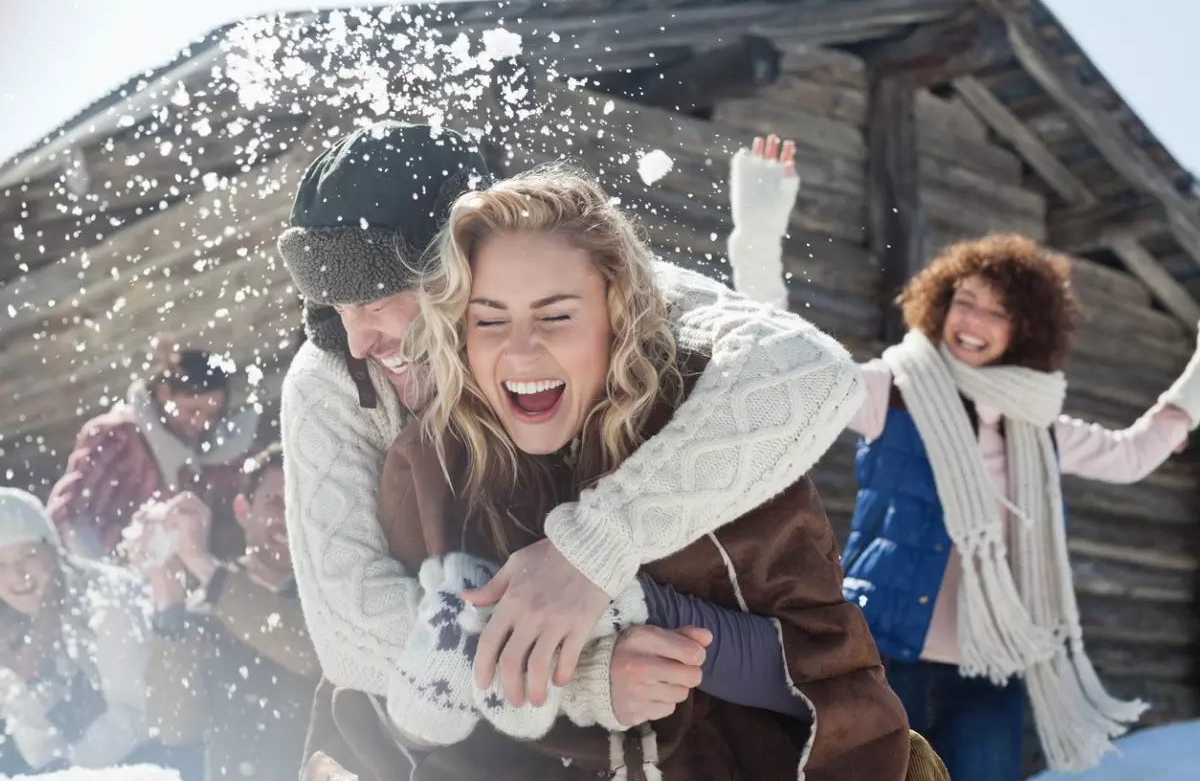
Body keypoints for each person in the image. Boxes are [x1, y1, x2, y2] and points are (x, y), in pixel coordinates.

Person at [276, 122, 865, 718]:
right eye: (335, 309)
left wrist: (590, 550)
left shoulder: (594, 292)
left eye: (376, 304)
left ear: (462, 272)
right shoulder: (332, 381)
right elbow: (349, 628)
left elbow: (814, 375)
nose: (356, 342)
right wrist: (572, 675)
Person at [361, 163, 912, 780]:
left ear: (616, 315)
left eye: (556, 315)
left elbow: (833, 682)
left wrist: (632, 601)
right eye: (490, 319)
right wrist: (589, 683)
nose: (520, 350)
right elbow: (399, 712)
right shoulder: (434, 468)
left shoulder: (712, 433)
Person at [726, 154, 1200, 778]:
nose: (972, 322)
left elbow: (1134, 453)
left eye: (997, 312)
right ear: (940, 303)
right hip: (880, 654)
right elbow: (791, 362)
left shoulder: (1038, 428)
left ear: (1025, 330)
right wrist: (758, 232)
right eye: (965, 301)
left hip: (991, 669)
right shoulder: (891, 393)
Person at [133, 444, 320, 781]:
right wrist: (167, 600)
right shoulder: (206, 607)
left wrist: (202, 564)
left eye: (301, 505)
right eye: (274, 502)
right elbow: (173, 726)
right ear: (242, 510)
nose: (287, 517)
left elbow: (307, 653)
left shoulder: (325, 599)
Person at [46, 347, 258, 559]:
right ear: (164, 393)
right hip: (111, 571)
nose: (202, 423)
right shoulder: (118, 437)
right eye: (192, 411)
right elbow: (69, 514)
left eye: (212, 414)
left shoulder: (223, 457)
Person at [0, 487, 156, 773]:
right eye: (1, 564)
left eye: (29, 555)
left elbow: (139, 713)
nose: (17, 575)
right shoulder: (11, 620)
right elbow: (28, 725)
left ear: (54, 548)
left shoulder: (109, 599)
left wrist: (68, 768)